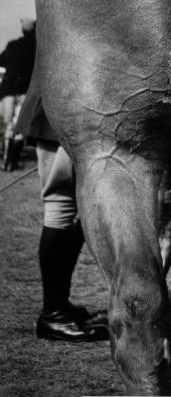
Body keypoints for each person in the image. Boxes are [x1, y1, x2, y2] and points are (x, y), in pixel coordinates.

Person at [15, 63, 108, 342]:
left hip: (69, 104)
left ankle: (59, 305)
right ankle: (53, 314)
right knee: (61, 204)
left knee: (76, 209)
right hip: (61, 106)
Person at [0, 18, 36, 170]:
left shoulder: (12, 45)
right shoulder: (36, 47)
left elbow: (1, 62)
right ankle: (12, 160)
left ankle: (5, 161)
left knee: (8, 125)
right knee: (20, 127)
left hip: (7, 91)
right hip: (24, 93)